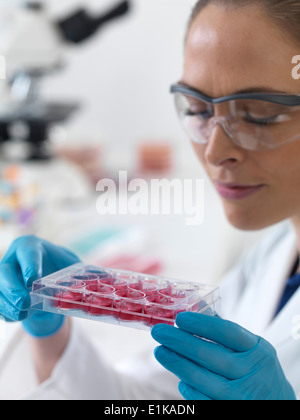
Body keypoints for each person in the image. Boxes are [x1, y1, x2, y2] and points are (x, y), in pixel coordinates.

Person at [1, 0, 300, 400]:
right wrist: (53, 327)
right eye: (197, 108)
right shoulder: (274, 256)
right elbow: (148, 398)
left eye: (259, 115)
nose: (213, 152)